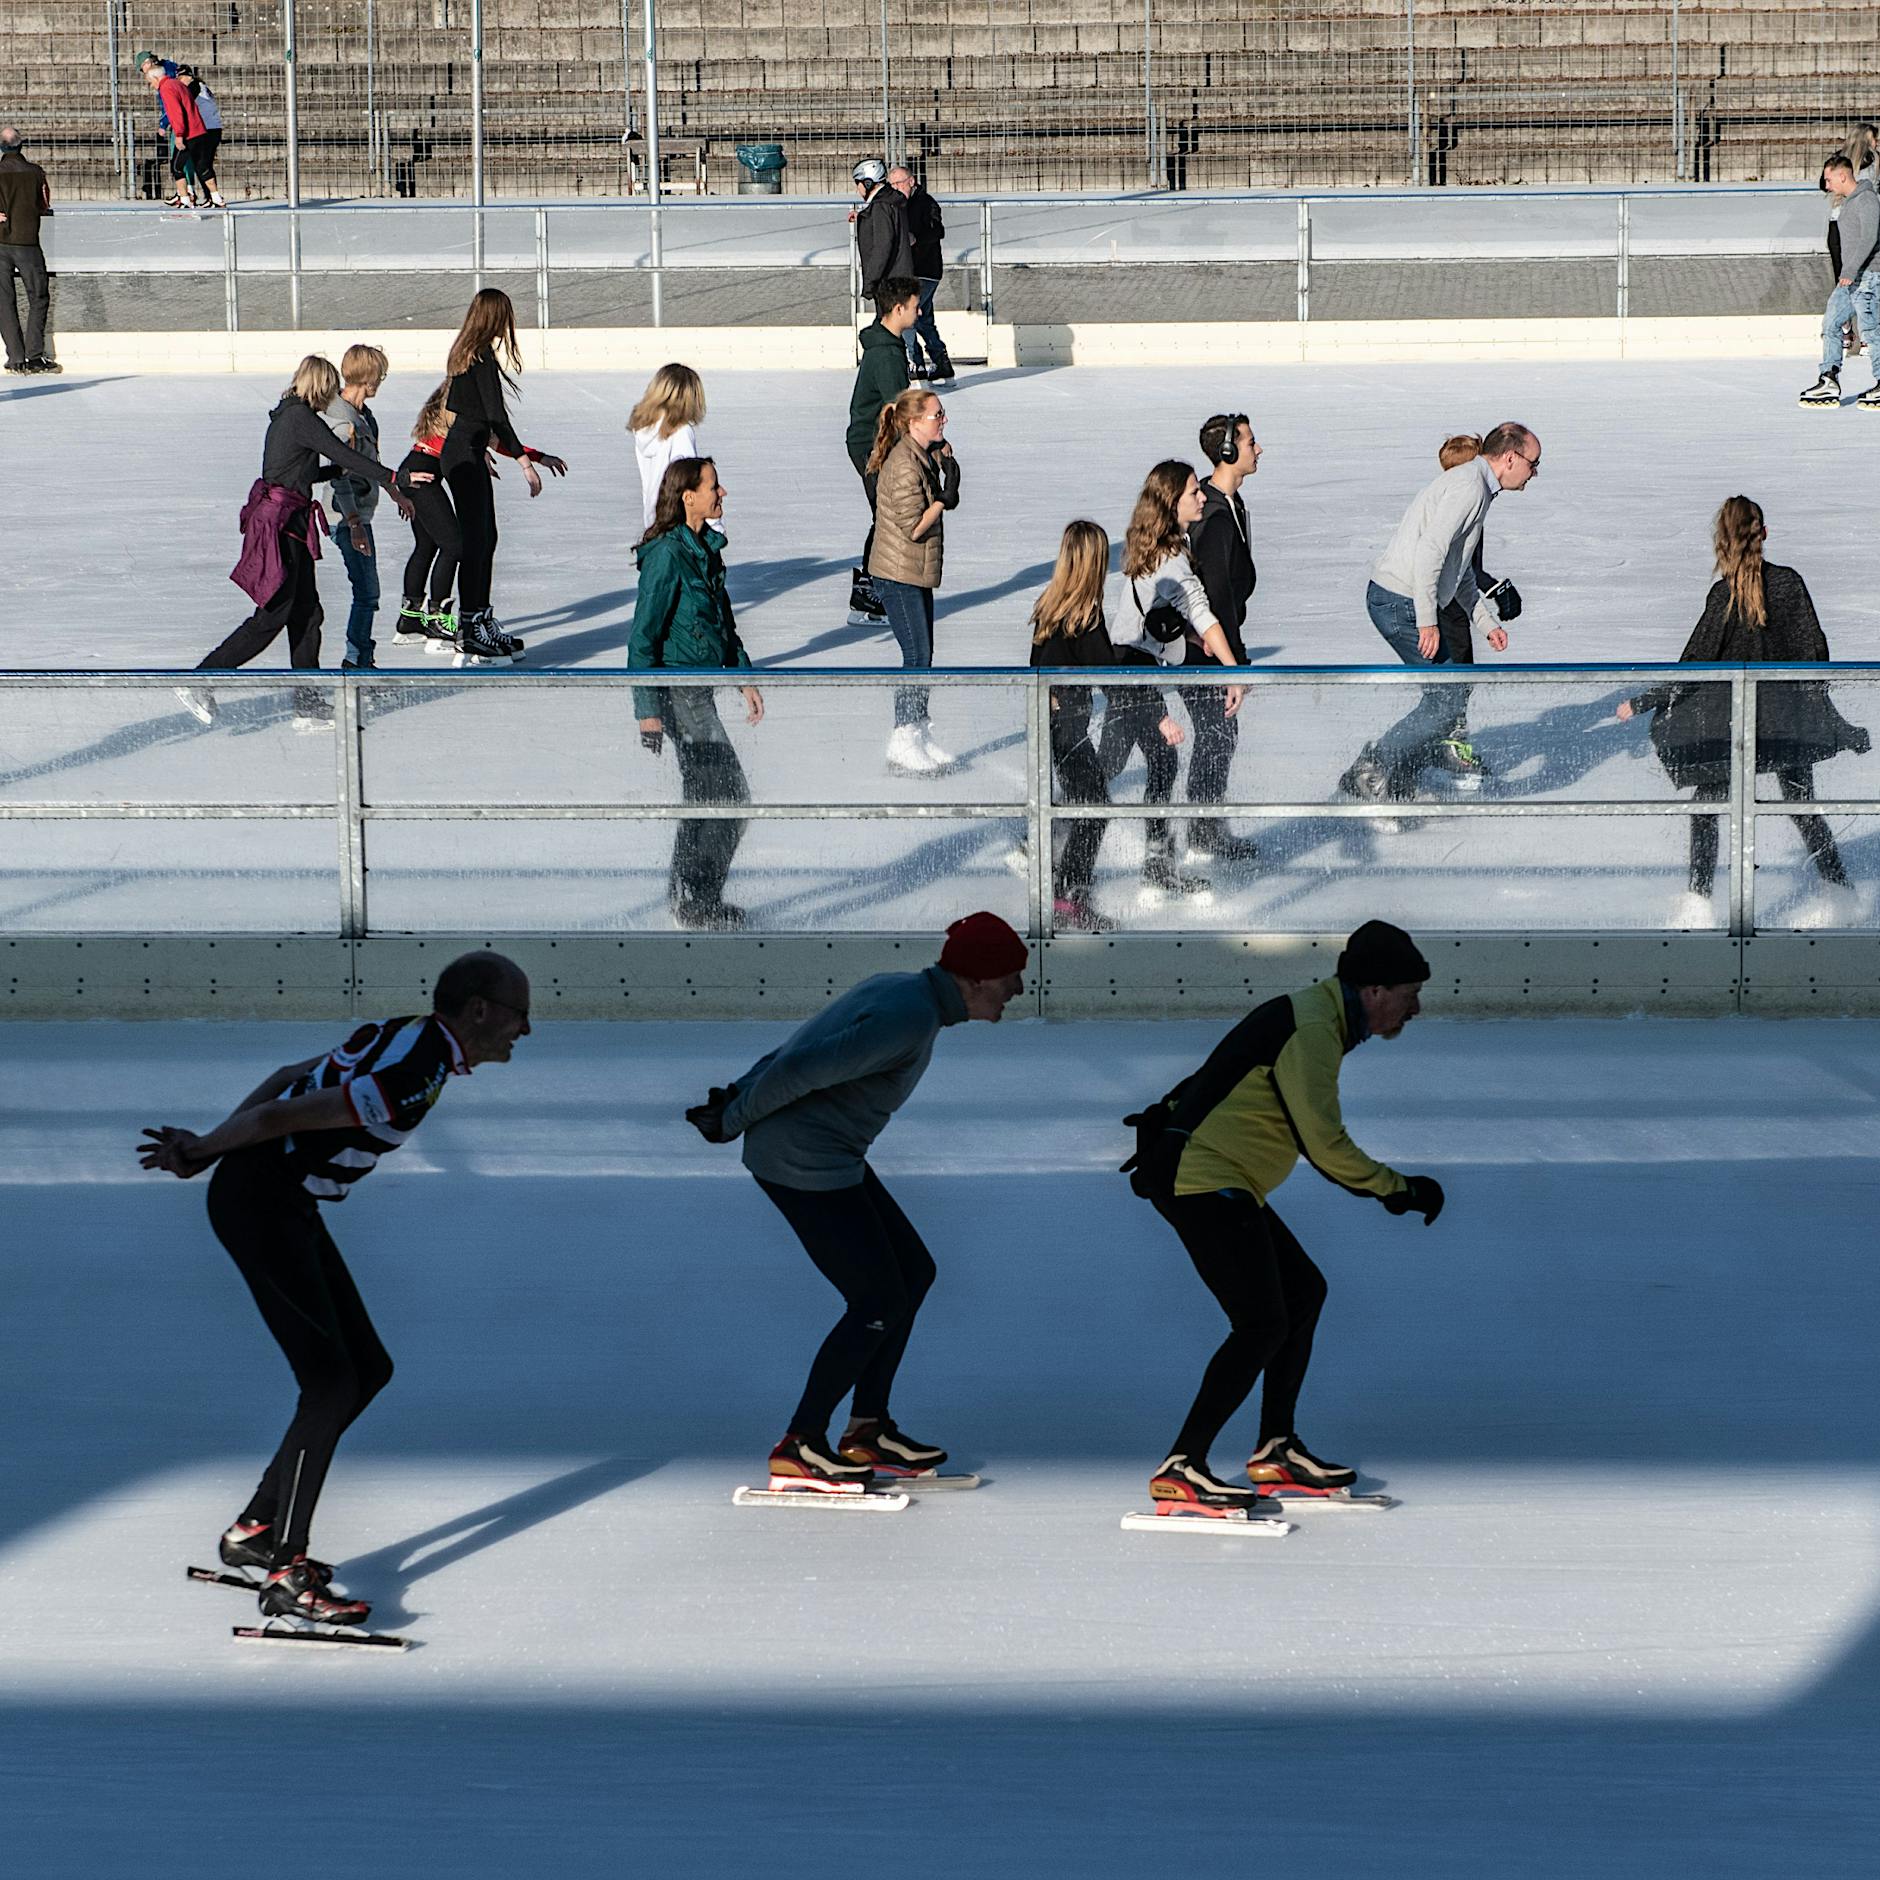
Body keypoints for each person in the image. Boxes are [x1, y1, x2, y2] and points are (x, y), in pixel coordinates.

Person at [136, 950, 534, 1630]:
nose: (525, 1031)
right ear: (478, 1011)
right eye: (520, 1015)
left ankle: (257, 1529)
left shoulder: (409, 1029)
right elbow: (278, 1118)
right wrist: (206, 1152)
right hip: (263, 1203)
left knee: (367, 1368)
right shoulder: (416, 1069)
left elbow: (286, 1078)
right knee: (329, 1385)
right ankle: (288, 1568)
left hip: (276, 1200)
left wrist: (210, 1148)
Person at [684, 913, 1028, 1492]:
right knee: (876, 1298)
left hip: (827, 1153)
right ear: (975, 980)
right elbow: (799, 1065)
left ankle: (867, 1430)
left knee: (912, 1273)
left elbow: (798, 1045)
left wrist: (736, 1096)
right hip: (802, 1161)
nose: (1019, 989)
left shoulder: (902, 990)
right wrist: (732, 1118)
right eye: (1011, 977)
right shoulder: (909, 1017)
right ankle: (800, 1444)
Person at [1122, 920, 1443, 1514]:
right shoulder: (1314, 1029)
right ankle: (1182, 1468)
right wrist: (1397, 1189)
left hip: (1219, 1177)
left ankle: (1276, 1449)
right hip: (1202, 1178)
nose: (1416, 1007)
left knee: (1302, 1294)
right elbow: (1324, 1144)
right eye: (1410, 993)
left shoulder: (1317, 1017)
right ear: (1374, 991)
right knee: (1261, 1323)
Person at [1618, 496, 1866, 930]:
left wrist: (1644, 701)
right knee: (1802, 805)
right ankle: (1839, 891)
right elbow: (1816, 658)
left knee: (1707, 808)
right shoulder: (1789, 585)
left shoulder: (1724, 594)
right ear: (1764, 535)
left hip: (1728, 729)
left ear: (1722, 541)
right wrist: (1829, 721)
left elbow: (1696, 665)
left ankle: (1698, 901)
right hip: (1787, 726)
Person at [179, 355, 413, 730]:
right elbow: (342, 452)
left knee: (308, 613)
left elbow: (293, 469)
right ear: (319, 386)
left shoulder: (290, 416)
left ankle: (306, 703)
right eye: (331, 387)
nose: (334, 395)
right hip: (281, 526)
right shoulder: (299, 417)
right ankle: (203, 678)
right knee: (273, 616)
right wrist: (392, 475)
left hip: (292, 522)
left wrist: (332, 472)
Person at [1343, 420, 1540, 807]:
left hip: (1403, 598)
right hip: (1397, 600)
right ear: (1511, 457)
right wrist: (1427, 621)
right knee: (1447, 699)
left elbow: (1457, 568)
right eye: (1534, 463)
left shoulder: (1478, 487)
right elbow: (1430, 551)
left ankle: (1394, 776)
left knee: (1445, 696)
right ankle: (1371, 770)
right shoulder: (1469, 487)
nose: (1535, 473)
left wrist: (1485, 623)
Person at [629, 456, 764, 932]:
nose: (721, 493)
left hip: (699, 690)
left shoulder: (706, 547)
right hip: (677, 691)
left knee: (706, 798)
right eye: (713, 486)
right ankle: (695, 899)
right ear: (688, 495)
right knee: (728, 798)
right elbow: (642, 637)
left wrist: (744, 676)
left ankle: (690, 897)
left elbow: (723, 622)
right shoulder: (668, 554)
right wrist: (647, 710)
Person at [1103, 459, 1247, 902]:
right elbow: (1203, 614)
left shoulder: (1161, 545)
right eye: (1192, 492)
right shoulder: (1172, 559)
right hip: (1134, 670)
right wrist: (1233, 671)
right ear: (1171, 502)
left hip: (1126, 664)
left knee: (1110, 767)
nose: (1202, 495)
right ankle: (1156, 866)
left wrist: (1185, 635)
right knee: (1156, 764)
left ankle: (1154, 863)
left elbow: (1164, 612)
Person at [1028, 519, 1164, 934]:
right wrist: (1155, 711)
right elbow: (1109, 673)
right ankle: (1068, 895)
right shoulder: (1083, 615)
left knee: (1086, 806)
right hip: (1068, 729)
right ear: (1093, 562)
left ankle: (1066, 890)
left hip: (1053, 726)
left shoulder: (1049, 606)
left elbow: (1038, 667)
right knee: (1095, 808)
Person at [440, 288, 568, 663]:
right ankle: (471, 626)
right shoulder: (479, 356)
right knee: (478, 542)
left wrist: (529, 455)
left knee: (486, 538)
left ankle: (480, 618)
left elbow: (480, 419)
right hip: (463, 455)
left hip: (468, 452)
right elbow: (496, 416)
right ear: (497, 317)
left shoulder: (470, 352)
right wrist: (524, 463)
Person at [1420, 431, 1525, 785]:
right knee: (1453, 680)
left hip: (1454, 600)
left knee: (1457, 679)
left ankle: (1447, 743)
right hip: (1442, 604)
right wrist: (1491, 587)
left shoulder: (1472, 498)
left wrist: (1491, 592)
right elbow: (1445, 561)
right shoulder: (1464, 495)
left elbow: (1466, 567)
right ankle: (1444, 747)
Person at [867, 386, 961, 776]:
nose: (943, 420)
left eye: (942, 414)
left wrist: (942, 464)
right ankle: (902, 739)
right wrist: (944, 497)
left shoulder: (918, 454)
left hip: (913, 571)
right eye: (936, 415)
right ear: (912, 422)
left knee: (925, 656)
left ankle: (918, 731)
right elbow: (913, 528)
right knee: (915, 658)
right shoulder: (904, 464)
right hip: (897, 573)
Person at [1184, 412, 1265, 866]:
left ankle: (1205, 825)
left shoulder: (1228, 506)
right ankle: (1202, 830)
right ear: (1228, 452)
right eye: (1251, 442)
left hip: (1216, 644)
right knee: (1217, 734)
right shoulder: (1214, 515)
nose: (1258, 449)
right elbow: (1215, 598)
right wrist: (1233, 661)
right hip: (1203, 648)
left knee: (1219, 735)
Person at [844, 276, 919, 629]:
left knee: (887, 515)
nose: (919, 312)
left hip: (872, 441)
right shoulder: (887, 354)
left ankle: (874, 590)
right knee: (887, 515)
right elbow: (898, 408)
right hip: (873, 445)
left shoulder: (885, 343)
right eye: (915, 306)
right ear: (899, 308)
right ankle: (871, 594)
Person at [320, 344, 390, 671]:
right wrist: (353, 521)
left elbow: (373, 464)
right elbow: (338, 477)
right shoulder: (341, 420)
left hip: (358, 514)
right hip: (346, 517)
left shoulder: (365, 417)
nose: (383, 380)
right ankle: (357, 661)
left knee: (368, 591)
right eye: (380, 374)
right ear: (368, 377)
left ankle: (361, 658)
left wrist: (396, 492)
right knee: (366, 591)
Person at [1801, 156, 1880, 407]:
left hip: (1867, 276)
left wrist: (1852, 269)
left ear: (1842, 176)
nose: (1826, 184)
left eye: (1828, 178)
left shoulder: (1867, 199)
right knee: (1831, 323)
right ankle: (1828, 378)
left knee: (1871, 330)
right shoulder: (1850, 202)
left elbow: (1869, 237)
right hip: (1851, 278)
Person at [393, 381, 462, 655]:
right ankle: (436, 622)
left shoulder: (440, 409)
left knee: (427, 545)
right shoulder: (453, 410)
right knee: (454, 546)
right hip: (422, 478)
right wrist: (532, 457)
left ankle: (409, 621)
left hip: (413, 471)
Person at [888, 165, 953, 385]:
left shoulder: (926, 203)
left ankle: (915, 363)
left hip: (925, 271)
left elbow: (938, 230)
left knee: (907, 315)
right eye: (892, 184)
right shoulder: (895, 204)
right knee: (923, 318)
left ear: (912, 181)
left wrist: (916, 238)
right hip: (906, 271)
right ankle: (941, 363)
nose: (896, 188)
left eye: (899, 183)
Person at [0, 127, 56, 375]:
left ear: (2, 148)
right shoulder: (35, 172)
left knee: (3, 300)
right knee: (38, 296)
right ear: (21, 146)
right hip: (27, 242)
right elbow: (44, 205)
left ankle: (15, 356)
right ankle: (35, 355)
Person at [628, 361, 705, 535]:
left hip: (654, 516)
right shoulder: (681, 432)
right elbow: (687, 480)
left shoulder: (645, 428)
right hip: (679, 521)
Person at [142, 54, 207, 209]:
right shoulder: (173, 82)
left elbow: (176, 112)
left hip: (187, 130)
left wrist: (176, 133)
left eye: (150, 82)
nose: (151, 85)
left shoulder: (168, 85)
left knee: (179, 166)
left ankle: (187, 196)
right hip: (195, 128)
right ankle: (198, 196)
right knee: (195, 165)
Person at [851, 157, 913, 300]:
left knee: (885, 322)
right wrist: (863, 216)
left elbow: (882, 245)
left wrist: (870, 283)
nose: (857, 189)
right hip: (899, 281)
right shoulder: (892, 200)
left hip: (889, 284)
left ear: (867, 182)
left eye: (858, 183)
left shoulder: (881, 206)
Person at [175, 64, 227, 209]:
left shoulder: (194, 85)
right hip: (212, 128)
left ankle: (212, 197)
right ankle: (211, 197)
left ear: (188, 76)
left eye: (181, 78)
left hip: (207, 130)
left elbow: (185, 100)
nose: (179, 82)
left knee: (201, 164)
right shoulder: (200, 85)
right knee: (204, 164)